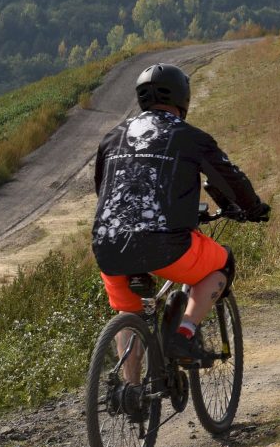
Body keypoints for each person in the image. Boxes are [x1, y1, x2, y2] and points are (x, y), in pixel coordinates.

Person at [92, 63, 270, 368]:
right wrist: (253, 207)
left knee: (129, 313)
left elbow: (102, 188)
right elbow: (230, 178)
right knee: (222, 263)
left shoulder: (112, 137)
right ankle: (184, 333)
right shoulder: (190, 137)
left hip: (107, 244)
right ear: (182, 98)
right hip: (166, 245)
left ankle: (130, 394)